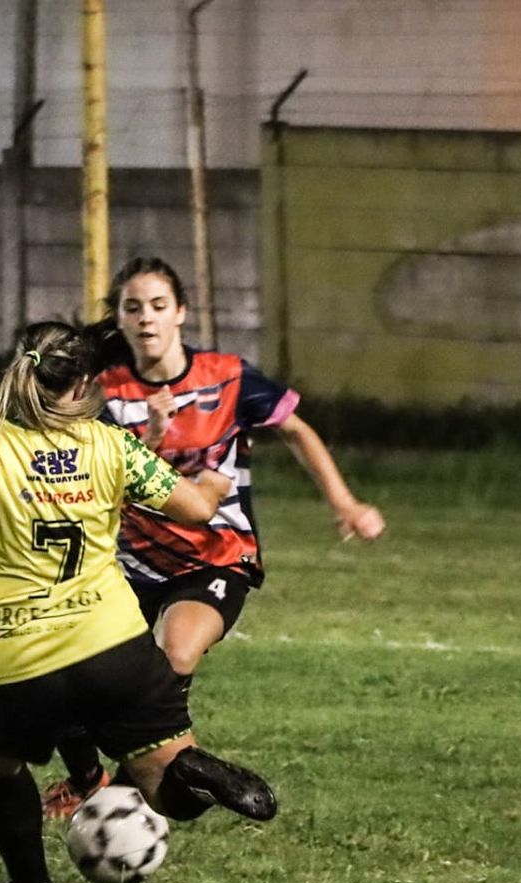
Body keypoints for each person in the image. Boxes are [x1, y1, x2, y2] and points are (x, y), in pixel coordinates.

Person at [0, 320, 277, 883]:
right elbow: (195, 510)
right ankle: (193, 769)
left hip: (17, 659)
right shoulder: (111, 444)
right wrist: (213, 480)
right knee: (164, 787)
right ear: (85, 382)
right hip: (115, 649)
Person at [41, 256, 386, 817]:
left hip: (214, 556)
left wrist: (343, 502)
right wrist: (150, 434)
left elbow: (295, 431)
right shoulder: (103, 393)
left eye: (158, 306)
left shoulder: (226, 378)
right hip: (125, 562)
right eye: (133, 308)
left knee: (174, 652)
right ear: (121, 320)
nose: (147, 319)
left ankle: (139, 787)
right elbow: (104, 478)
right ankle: (90, 778)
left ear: (181, 313)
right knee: (61, 661)